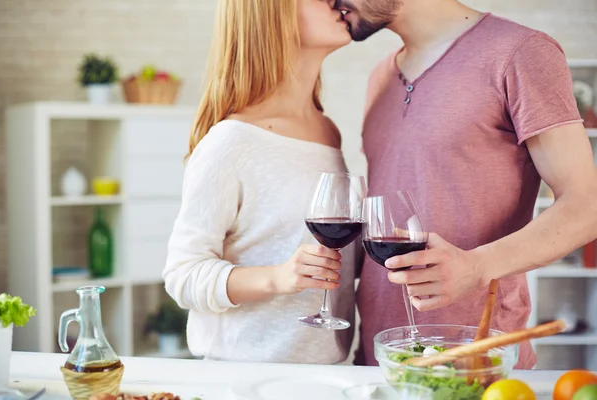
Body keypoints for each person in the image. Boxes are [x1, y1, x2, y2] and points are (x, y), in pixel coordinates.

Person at [335, 0, 597, 368]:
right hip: (381, 357)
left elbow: (585, 207)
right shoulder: (380, 77)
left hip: (476, 361)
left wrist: (475, 266)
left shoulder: (521, 53)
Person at [163, 0, 357, 364]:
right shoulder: (231, 141)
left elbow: (330, 254)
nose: (336, 1)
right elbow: (182, 275)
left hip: (323, 375)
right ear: (275, 14)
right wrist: (279, 277)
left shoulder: (326, 131)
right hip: (244, 378)